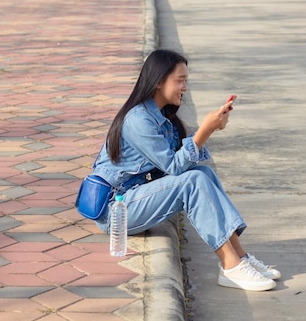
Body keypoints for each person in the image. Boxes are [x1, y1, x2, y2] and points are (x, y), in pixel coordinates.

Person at [91, 49, 280, 291]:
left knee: (204, 174)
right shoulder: (138, 120)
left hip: (136, 198)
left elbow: (178, 164)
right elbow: (173, 167)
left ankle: (241, 258)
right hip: (116, 211)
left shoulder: (161, 116)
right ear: (159, 81)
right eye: (180, 80)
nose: (185, 87)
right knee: (193, 181)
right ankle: (230, 267)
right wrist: (205, 130)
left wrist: (207, 130)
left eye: (186, 81)